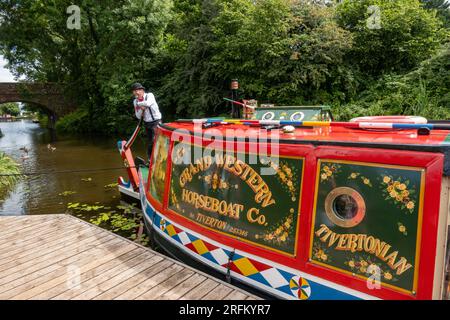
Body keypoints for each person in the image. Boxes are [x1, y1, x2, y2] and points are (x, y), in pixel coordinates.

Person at [131, 83, 162, 162]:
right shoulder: (135, 101)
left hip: (156, 121)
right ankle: (150, 160)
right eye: (135, 91)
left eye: (138, 90)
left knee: (154, 140)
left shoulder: (150, 95)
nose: (137, 92)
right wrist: (141, 108)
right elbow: (138, 116)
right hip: (147, 123)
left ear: (142, 90)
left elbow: (148, 103)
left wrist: (140, 104)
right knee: (149, 142)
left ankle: (158, 159)